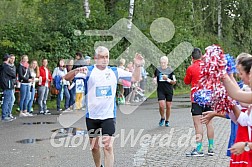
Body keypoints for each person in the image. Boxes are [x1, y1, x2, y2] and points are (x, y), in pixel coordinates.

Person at [65, 46, 143, 167]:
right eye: (102, 57)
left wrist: (138, 66)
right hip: (92, 116)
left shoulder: (114, 71)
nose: (105, 59)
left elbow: (135, 78)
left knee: (108, 146)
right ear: (96, 58)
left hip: (108, 116)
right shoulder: (88, 71)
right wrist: (76, 71)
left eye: (107, 57)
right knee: (95, 147)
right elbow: (66, 78)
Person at [184, 48, 214, 157]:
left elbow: (187, 81)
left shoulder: (191, 67)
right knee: (209, 123)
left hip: (196, 98)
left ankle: (199, 148)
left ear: (192, 58)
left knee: (198, 124)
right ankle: (211, 148)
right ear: (201, 56)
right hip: (208, 97)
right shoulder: (208, 67)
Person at [154, 56, 176, 127]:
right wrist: (154, 80)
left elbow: (174, 82)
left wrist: (167, 79)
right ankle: (162, 117)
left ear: (167, 63)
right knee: (161, 105)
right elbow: (154, 76)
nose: (163, 64)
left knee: (168, 106)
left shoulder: (171, 70)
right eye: (161, 63)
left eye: (164, 63)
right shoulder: (157, 69)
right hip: (160, 90)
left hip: (169, 90)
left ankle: (167, 120)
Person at [0, 54, 16, 122]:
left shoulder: (2, 66)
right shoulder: (6, 67)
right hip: (8, 85)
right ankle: (5, 115)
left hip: (4, 84)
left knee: (8, 100)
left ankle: (6, 114)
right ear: (8, 59)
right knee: (7, 101)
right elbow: (13, 74)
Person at [8, 54, 17, 119]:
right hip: (8, 84)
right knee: (11, 99)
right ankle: (8, 113)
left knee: (12, 99)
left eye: (14, 59)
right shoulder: (7, 66)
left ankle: (9, 112)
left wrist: (15, 83)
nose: (12, 60)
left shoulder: (13, 66)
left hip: (13, 84)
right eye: (11, 58)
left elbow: (14, 76)